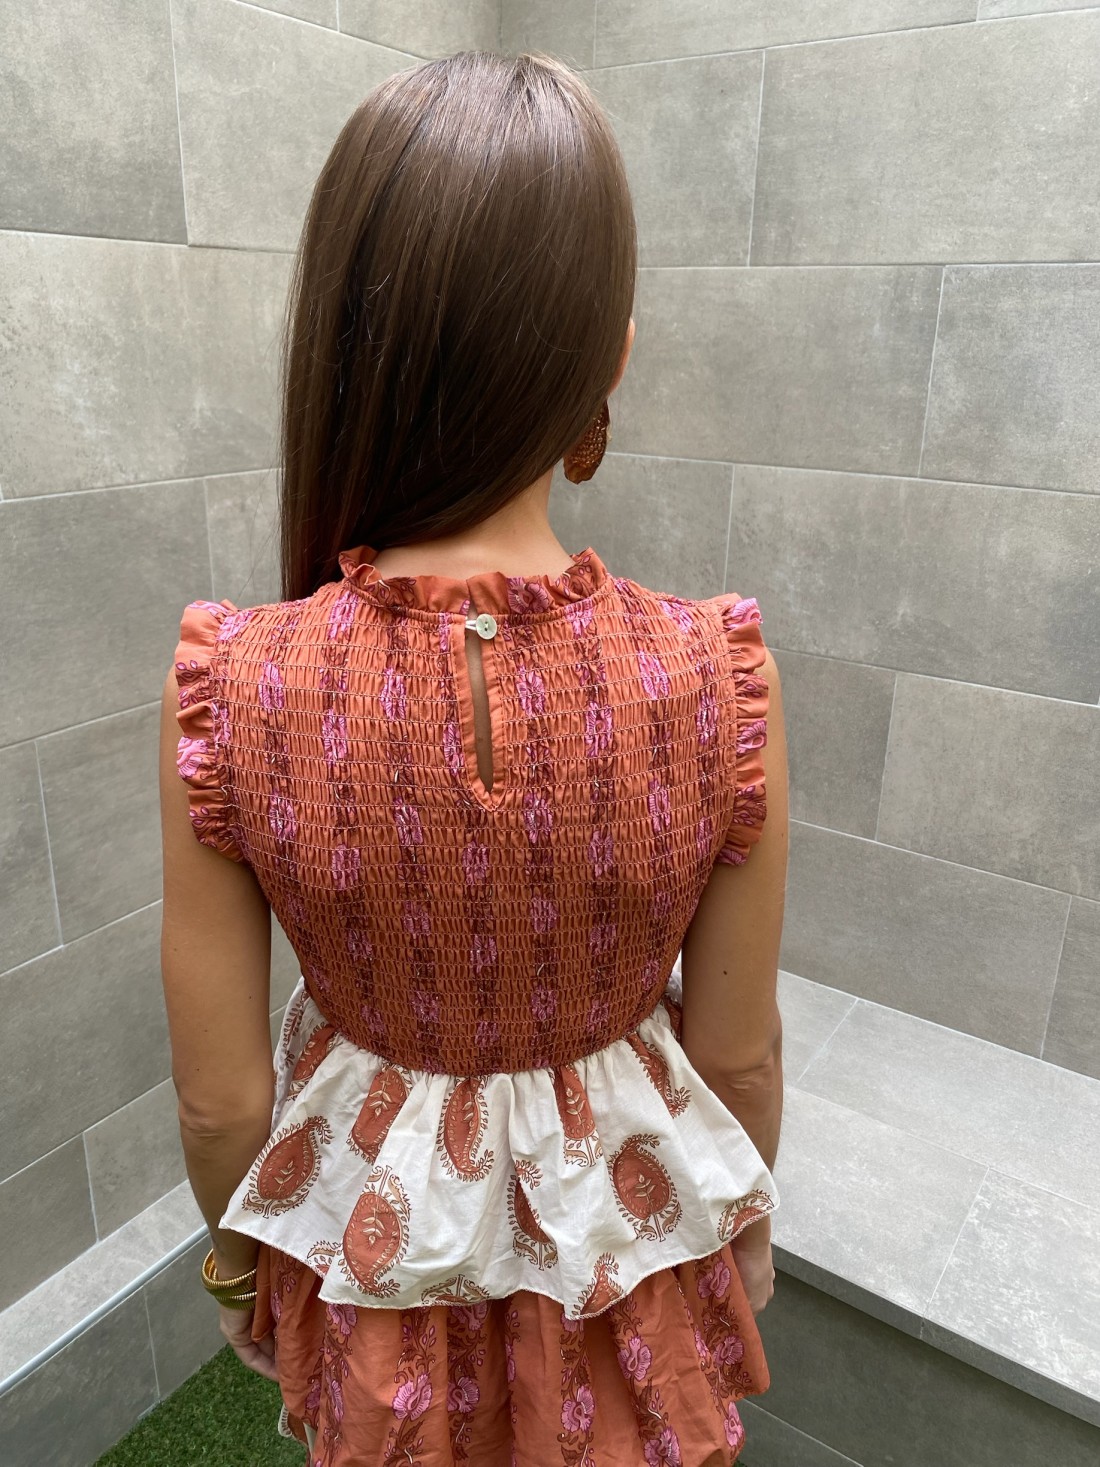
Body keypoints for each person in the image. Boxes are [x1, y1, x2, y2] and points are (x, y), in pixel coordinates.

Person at [159, 48, 787, 1467]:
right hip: (630, 1266)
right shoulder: (717, 672)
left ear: (342, 340)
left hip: (376, 1280)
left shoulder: (233, 681)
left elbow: (220, 1099)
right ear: (611, 352)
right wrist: (740, 1229)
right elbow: (737, 1054)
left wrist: (242, 1272)